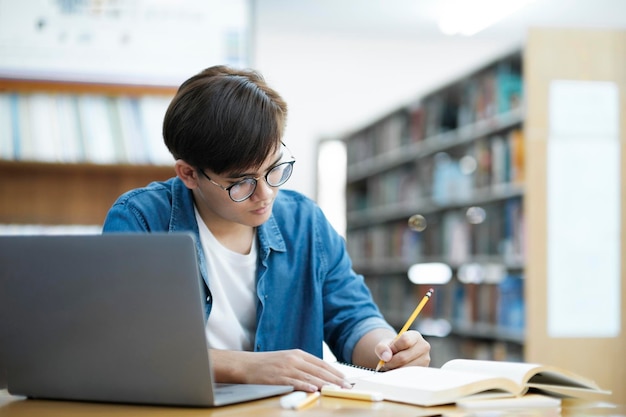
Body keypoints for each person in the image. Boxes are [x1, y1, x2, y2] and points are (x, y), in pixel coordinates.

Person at [102, 65, 430, 392]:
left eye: (274, 169)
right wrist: (246, 367)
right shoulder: (140, 219)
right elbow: (123, 345)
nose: (266, 194)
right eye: (241, 183)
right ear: (188, 174)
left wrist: (387, 347)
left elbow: (353, 318)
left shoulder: (305, 222)